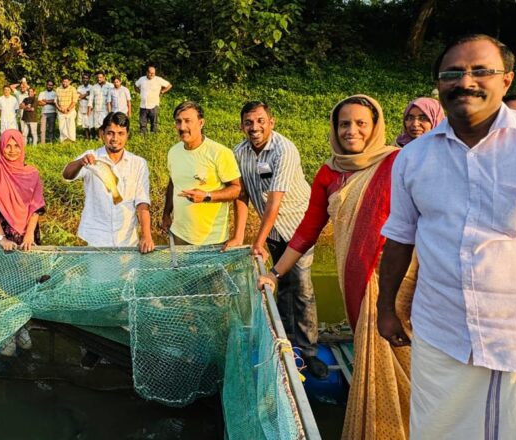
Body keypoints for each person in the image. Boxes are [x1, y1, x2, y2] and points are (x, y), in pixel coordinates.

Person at [377, 34, 516, 439]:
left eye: (481, 71)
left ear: (506, 80)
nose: (465, 81)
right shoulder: (413, 158)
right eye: (452, 73)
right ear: (438, 84)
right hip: (444, 336)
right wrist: (385, 307)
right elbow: (399, 237)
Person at [258, 95, 414, 439]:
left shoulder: (398, 163)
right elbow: (306, 231)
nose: (351, 130)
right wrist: (274, 273)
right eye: (344, 123)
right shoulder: (329, 173)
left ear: (376, 127)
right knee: (372, 355)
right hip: (354, 280)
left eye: (361, 123)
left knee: (404, 357)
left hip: (396, 282)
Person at [232, 101, 322, 375]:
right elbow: (242, 195)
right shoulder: (239, 152)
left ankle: (309, 350)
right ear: (242, 125)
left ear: (272, 122)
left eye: (260, 121)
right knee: (280, 287)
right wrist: (239, 236)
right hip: (272, 231)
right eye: (249, 122)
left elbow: (275, 202)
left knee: (303, 289)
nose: (255, 127)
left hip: (298, 227)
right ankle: (285, 340)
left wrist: (256, 242)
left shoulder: (284, 149)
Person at [62, 112, 155, 253]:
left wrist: (146, 235)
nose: (115, 138)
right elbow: (67, 175)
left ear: (127, 135)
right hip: (97, 238)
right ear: (102, 134)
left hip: (127, 239)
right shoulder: (92, 157)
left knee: (128, 275)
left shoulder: (138, 163)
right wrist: (81, 163)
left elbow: (142, 202)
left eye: (120, 133)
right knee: (97, 275)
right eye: (110, 133)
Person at [161, 101, 241, 246]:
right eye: (178, 122)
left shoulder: (219, 152)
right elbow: (173, 183)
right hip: (179, 234)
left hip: (212, 240)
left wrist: (207, 196)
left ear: (201, 123)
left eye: (188, 121)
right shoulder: (173, 152)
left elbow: (236, 189)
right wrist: (166, 214)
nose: (182, 127)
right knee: (180, 269)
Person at [0, 129, 45, 251]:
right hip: (0, 239)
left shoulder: (32, 173)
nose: (12, 151)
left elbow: (36, 207)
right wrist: (2, 239)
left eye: (16, 146)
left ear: (22, 147)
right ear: (1, 147)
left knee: (31, 269)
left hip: (28, 238)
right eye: (8, 146)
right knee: (0, 269)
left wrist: (29, 235)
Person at [134, 64, 172, 135]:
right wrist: (139, 92)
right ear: (147, 72)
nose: (151, 74)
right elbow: (135, 85)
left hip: (154, 105)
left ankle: (153, 135)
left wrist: (162, 91)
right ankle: (143, 134)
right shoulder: (142, 79)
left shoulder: (158, 79)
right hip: (143, 105)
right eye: (150, 73)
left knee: (154, 121)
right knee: (142, 122)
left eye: (153, 73)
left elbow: (169, 85)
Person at [88, 71, 113, 139]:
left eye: (100, 77)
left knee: (106, 124)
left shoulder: (110, 86)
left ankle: (106, 138)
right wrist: (89, 109)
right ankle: (100, 138)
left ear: (104, 77)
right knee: (98, 125)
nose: (99, 79)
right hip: (97, 109)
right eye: (98, 77)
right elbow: (90, 99)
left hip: (106, 109)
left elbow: (112, 98)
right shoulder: (94, 87)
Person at [55, 76, 79, 142]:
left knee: (70, 126)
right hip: (61, 111)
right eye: (63, 81)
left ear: (69, 82)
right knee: (62, 127)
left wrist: (68, 109)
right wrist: (60, 109)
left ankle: (72, 140)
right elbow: (55, 101)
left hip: (70, 111)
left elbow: (74, 101)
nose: (64, 83)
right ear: (61, 81)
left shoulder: (73, 89)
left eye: (66, 81)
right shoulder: (58, 89)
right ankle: (64, 140)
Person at [77, 73, 92, 140]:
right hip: (82, 107)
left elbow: (91, 98)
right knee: (84, 124)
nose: (85, 79)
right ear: (82, 79)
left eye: (86, 78)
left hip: (89, 108)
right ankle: (87, 138)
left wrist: (82, 96)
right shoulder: (79, 87)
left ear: (89, 79)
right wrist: (86, 94)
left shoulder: (92, 87)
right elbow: (78, 97)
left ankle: (92, 137)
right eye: (84, 78)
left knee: (90, 124)